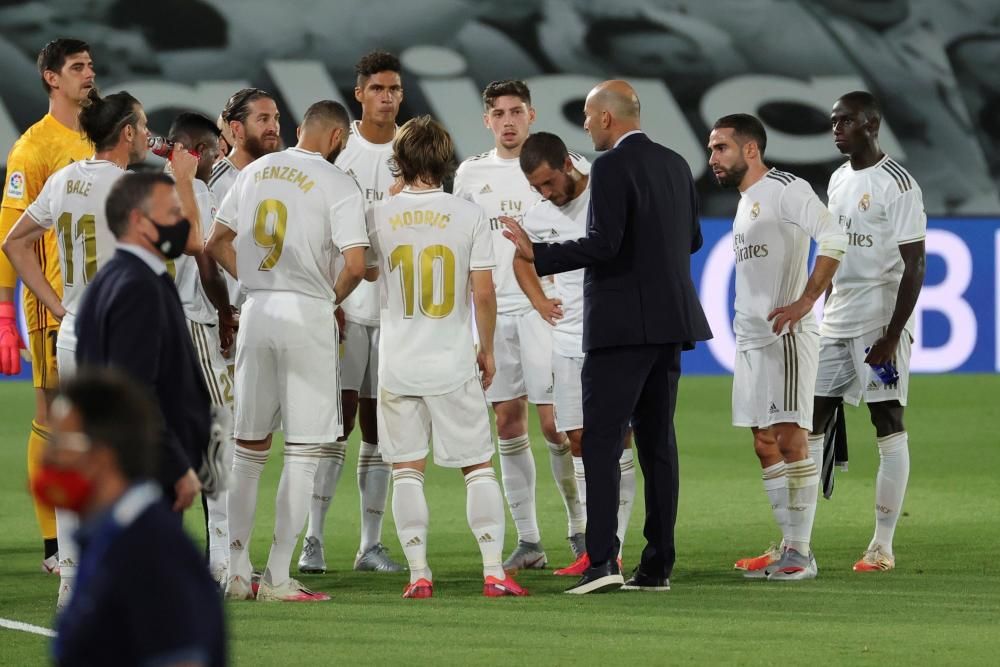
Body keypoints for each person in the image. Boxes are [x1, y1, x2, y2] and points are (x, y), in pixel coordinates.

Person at [502, 80, 712, 594]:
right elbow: (692, 240)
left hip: (620, 327)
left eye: (589, 119)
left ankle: (602, 563)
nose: (586, 127)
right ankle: (657, 566)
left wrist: (540, 254)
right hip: (671, 323)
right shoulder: (677, 164)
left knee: (598, 441)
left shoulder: (612, 167)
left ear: (606, 119)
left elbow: (605, 243)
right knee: (659, 445)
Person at [206, 100, 368, 602]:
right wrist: (328, 298)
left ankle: (235, 570)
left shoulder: (254, 171)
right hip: (306, 316)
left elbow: (216, 242)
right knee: (301, 452)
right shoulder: (338, 182)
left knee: (248, 449)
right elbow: (357, 264)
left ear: (302, 130)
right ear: (338, 137)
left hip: (257, 312)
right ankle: (277, 575)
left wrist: (253, 282)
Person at [2, 89, 158, 607]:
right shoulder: (133, 190)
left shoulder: (65, 179)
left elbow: (15, 242)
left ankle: (71, 577)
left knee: (74, 451)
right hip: (121, 331)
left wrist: (55, 305)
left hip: (74, 330)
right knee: (130, 454)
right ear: (129, 132)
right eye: (142, 126)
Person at [367, 115, 527, 599]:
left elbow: (370, 273)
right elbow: (483, 294)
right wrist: (488, 349)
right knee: (477, 466)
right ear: (445, 160)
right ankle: (494, 571)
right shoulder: (469, 215)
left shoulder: (378, 215)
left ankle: (419, 572)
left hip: (398, 361)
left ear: (401, 160)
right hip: (453, 359)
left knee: (406, 469)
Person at [453, 79, 589, 571]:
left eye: (516, 112)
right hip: (494, 310)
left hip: (546, 309)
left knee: (556, 425)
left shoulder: (569, 165)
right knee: (507, 422)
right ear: (487, 120)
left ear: (531, 115)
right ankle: (529, 541)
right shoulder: (469, 175)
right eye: (499, 113)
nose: (508, 121)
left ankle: (580, 528)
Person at [707, 114, 847, 580]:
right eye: (711, 150)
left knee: (790, 438)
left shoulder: (787, 188)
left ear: (751, 150)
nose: (713, 159)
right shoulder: (747, 201)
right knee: (763, 442)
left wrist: (807, 299)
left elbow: (833, 236)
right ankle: (788, 543)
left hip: (784, 336)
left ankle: (802, 554)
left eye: (721, 148)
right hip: (750, 339)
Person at [509, 131, 636, 578]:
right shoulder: (539, 213)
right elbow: (522, 260)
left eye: (549, 182)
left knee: (617, 439)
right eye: (537, 187)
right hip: (566, 343)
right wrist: (539, 301)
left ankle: (614, 547)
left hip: (611, 338)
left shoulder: (605, 194)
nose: (546, 193)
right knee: (577, 441)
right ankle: (593, 544)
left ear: (567, 164)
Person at [34, 369, 224, 667]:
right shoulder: (111, 536)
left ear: (102, 456)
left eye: (60, 443)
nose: (46, 457)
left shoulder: (151, 554)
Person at [811, 91, 926, 573]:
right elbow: (836, 247)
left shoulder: (898, 185)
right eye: (833, 122)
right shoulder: (838, 179)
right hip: (837, 317)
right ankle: (795, 541)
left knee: (887, 421)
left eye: (845, 121)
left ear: (871, 123)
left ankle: (882, 545)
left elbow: (915, 263)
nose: (837, 129)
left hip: (879, 318)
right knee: (808, 420)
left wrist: (892, 334)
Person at [299, 50, 405, 576]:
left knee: (381, 429)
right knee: (334, 424)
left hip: (396, 312)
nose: (388, 97)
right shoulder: (340, 152)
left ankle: (369, 544)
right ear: (359, 92)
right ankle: (313, 539)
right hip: (343, 309)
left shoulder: (412, 150)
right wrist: (330, 296)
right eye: (379, 88)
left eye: (395, 90)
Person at [0, 38, 95, 577]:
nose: (88, 75)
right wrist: (5, 315)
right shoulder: (32, 148)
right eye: (77, 68)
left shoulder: (104, 138)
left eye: (90, 66)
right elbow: (8, 234)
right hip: (52, 306)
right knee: (51, 419)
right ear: (51, 79)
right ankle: (54, 546)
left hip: (102, 302)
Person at [74, 172, 210, 521]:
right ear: (139, 221)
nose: (183, 222)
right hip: (144, 474)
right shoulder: (139, 288)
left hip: (126, 470)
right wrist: (176, 467)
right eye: (173, 213)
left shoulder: (110, 279)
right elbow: (133, 395)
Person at [164, 111, 238, 585]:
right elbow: (206, 261)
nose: (219, 155)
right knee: (219, 439)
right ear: (191, 149)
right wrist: (227, 312)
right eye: (212, 148)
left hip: (161, 327)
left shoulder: (144, 190)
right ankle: (222, 565)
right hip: (195, 325)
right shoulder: (197, 191)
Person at [208, 87, 281, 308]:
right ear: (237, 129)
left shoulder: (281, 179)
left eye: (276, 118)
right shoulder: (215, 182)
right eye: (263, 119)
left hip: (271, 309)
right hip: (230, 315)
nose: (273, 127)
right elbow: (203, 254)